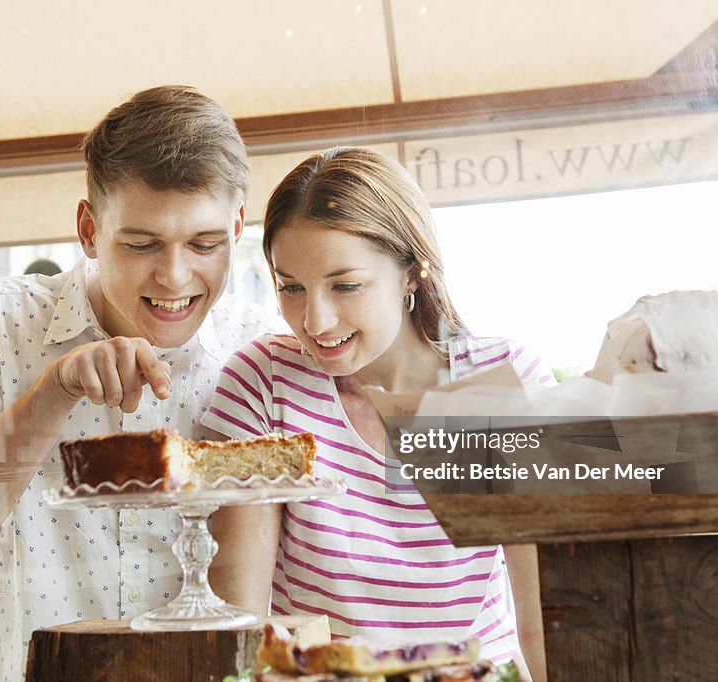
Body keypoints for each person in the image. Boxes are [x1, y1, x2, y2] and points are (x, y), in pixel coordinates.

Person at [0, 86, 281, 681]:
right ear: (87, 227)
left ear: (236, 226)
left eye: (205, 244)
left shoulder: (263, 352)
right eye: (141, 244)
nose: (175, 277)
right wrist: (51, 393)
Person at [201, 147, 553, 679]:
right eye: (290, 287)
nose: (315, 320)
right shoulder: (265, 383)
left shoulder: (504, 382)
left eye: (345, 285)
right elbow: (242, 620)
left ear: (412, 271)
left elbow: (547, 618)